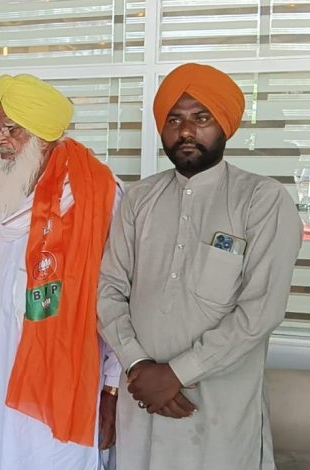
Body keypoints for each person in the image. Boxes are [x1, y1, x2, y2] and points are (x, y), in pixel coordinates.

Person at [98, 63, 302, 470]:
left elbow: (260, 311)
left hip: (219, 410)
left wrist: (175, 374)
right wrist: (138, 365)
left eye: (202, 118)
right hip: (143, 399)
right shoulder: (140, 199)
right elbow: (109, 289)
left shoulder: (261, 199)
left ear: (225, 124)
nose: (186, 131)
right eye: (174, 119)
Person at [0, 74, 121, 470]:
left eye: (13, 129)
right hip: (2, 363)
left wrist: (112, 388)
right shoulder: (0, 194)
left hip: (64, 374)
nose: (0, 139)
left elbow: (120, 293)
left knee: (54, 456)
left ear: (44, 135)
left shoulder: (97, 194)